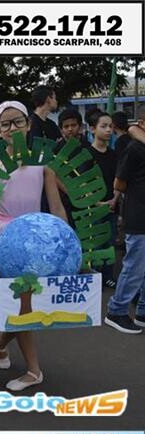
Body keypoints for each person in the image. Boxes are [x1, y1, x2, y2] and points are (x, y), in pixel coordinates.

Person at [0, 101, 67, 391]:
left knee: (26, 303)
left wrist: (67, 243)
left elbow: (56, 207)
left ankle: (2, 341)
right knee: (21, 303)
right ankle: (33, 369)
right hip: (5, 240)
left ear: (29, 124)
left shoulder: (43, 162)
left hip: (36, 239)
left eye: (18, 121)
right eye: (5, 124)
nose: (12, 128)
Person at [105, 105, 145, 334]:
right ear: (142, 123)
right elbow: (119, 183)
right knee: (134, 268)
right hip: (138, 217)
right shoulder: (134, 149)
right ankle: (116, 311)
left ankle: (142, 312)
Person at [87, 110, 119, 289]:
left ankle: (108, 276)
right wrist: (97, 203)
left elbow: (119, 180)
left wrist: (114, 199)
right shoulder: (86, 154)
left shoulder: (114, 155)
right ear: (92, 129)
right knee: (94, 245)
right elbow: (81, 183)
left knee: (110, 243)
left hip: (111, 207)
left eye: (111, 126)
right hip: (92, 208)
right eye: (104, 126)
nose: (108, 130)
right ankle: (94, 279)